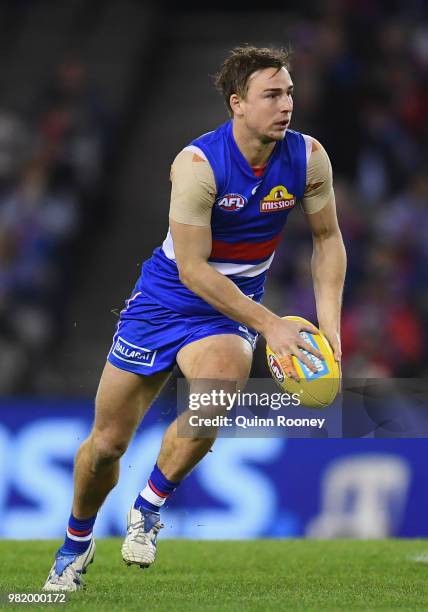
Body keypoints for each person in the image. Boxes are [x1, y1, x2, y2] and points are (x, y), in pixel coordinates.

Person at [43, 45, 346, 591]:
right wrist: (272, 324)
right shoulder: (198, 165)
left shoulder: (309, 158)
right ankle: (75, 542)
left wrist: (331, 330)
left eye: (290, 93)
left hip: (226, 315)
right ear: (237, 104)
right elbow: (192, 270)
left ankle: (149, 504)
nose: (286, 105)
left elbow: (328, 240)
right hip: (164, 302)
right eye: (272, 95)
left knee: (214, 394)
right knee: (107, 444)